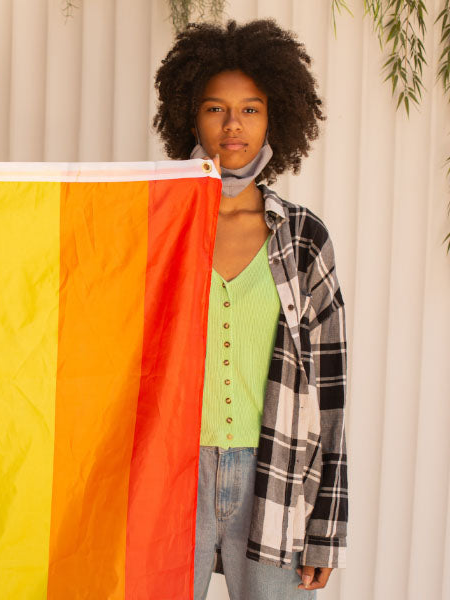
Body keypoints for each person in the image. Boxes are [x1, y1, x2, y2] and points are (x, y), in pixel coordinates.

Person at [153, 20, 348, 599]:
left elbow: (331, 390)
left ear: (273, 119)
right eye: (216, 109)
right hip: (169, 476)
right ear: (191, 117)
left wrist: (326, 532)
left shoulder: (303, 237)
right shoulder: (157, 225)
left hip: (278, 473)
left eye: (250, 109)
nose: (232, 125)